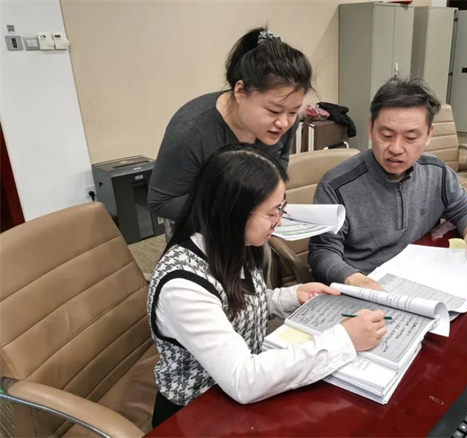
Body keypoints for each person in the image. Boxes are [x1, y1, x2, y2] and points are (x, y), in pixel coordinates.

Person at [148, 144, 386, 427]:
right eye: (272, 212)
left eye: (281, 208)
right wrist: (344, 341)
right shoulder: (182, 287)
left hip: (233, 397)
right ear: (234, 212)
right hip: (195, 414)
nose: (279, 222)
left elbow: (233, 303)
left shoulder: (232, 242)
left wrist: (292, 296)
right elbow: (243, 379)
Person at [308, 77, 467, 290]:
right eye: (386, 135)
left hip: (420, 277)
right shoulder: (336, 186)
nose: (396, 148)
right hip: (364, 286)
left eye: (410, 138)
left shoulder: (436, 171)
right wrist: (354, 279)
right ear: (371, 127)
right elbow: (323, 253)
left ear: (429, 134)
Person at [148, 27, 312, 225]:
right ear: (240, 91)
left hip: (255, 224)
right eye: (273, 111)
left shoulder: (284, 123)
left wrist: (272, 199)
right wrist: (236, 208)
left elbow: (280, 158)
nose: (284, 123)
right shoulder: (192, 131)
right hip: (202, 226)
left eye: (293, 112)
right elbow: (161, 202)